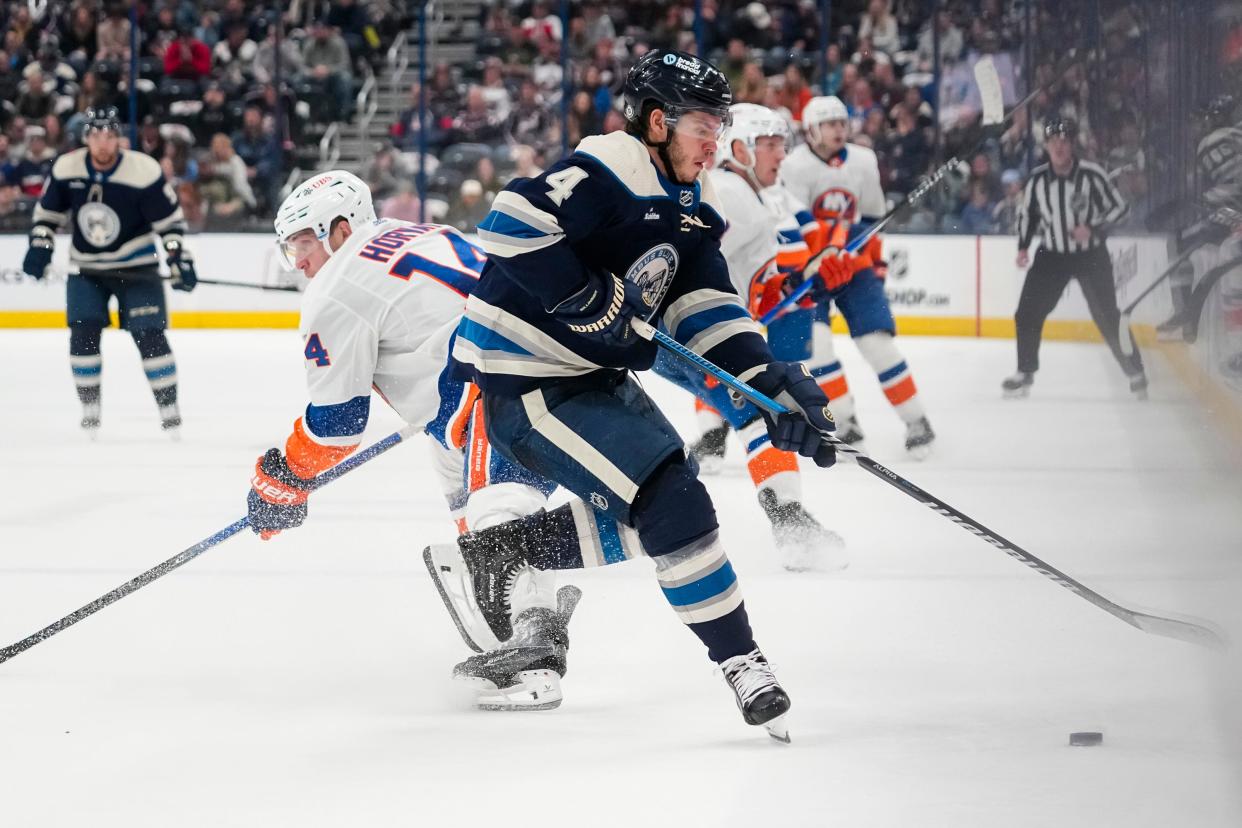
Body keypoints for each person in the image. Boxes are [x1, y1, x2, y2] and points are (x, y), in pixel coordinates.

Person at [445, 49, 840, 740]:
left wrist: (769, 383)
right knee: (673, 504)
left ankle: (508, 552)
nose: (714, 141)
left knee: (676, 502)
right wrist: (584, 297)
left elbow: (709, 310)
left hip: (591, 377)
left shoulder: (695, 203)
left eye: (719, 127)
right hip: (527, 380)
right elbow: (508, 220)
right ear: (657, 122)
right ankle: (743, 661)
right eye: (703, 126)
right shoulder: (610, 168)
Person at [245, 170, 580, 711]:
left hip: (496, 381)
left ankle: (533, 654)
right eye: (289, 251)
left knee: (499, 513)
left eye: (303, 244)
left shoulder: (334, 289)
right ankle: (510, 610)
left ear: (337, 229)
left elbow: (336, 424)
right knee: (458, 475)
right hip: (539, 360)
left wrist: (282, 480)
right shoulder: (413, 231)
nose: (299, 263)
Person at [654, 102, 846, 572]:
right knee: (763, 413)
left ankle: (788, 518)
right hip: (684, 331)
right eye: (770, 145)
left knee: (761, 413)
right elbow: (682, 262)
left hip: (684, 330)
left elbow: (748, 287)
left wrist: (800, 283)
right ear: (739, 149)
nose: (780, 154)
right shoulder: (733, 194)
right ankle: (790, 523)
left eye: (783, 144)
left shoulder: (750, 197)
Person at [21, 106, 197, 436]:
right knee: (83, 333)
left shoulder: (142, 170)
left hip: (137, 265)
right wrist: (40, 246)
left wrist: (178, 259)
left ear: (119, 139)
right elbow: (47, 216)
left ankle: (169, 409)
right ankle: (90, 409)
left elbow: (170, 224)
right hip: (87, 268)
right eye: (97, 135)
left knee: (150, 334)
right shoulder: (66, 167)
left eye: (110, 135)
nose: (104, 143)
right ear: (86, 138)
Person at [781, 95, 937, 457]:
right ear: (811, 130)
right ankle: (846, 421)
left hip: (855, 266)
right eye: (830, 124)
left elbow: (870, 220)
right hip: (812, 270)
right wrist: (824, 251)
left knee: (877, 345)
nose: (839, 129)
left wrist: (871, 260)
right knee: (817, 349)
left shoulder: (864, 161)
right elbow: (798, 227)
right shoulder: (794, 166)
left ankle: (917, 421)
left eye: (842, 122)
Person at [1004, 117, 1145, 398]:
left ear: (1072, 145)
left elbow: (1121, 209)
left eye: (1064, 141)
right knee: (1027, 313)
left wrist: (1092, 227)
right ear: (1046, 146)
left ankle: (1136, 371)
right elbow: (1028, 216)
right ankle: (1025, 372)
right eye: (1053, 141)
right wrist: (1022, 247)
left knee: (1107, 316)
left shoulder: (1092, 175)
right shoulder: (1037, 180)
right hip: (1052, 254)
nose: (1059, 146)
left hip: (1090, 255)